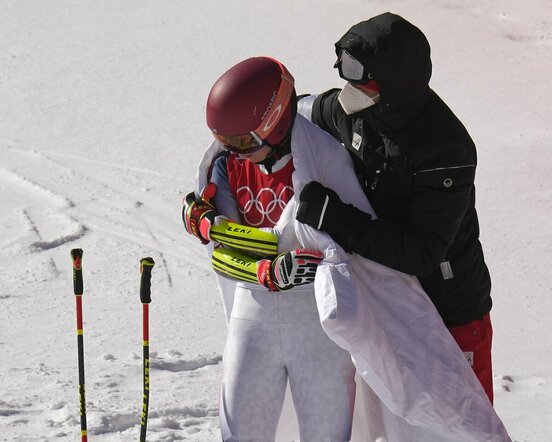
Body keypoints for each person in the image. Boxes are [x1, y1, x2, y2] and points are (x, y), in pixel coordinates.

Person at [296, 12, 495, 403]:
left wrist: (334, 217)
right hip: (387, 302)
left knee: (461, 424)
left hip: (450, 314)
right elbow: (301, 112)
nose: (346, 81)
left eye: (356, 70)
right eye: (343, 66)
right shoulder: (358, 109)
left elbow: (422, 251)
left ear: (392, 82)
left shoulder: (444, 149)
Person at [182, 57, 355, 441]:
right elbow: (222, 243)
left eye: (243, 141)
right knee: (240, 432)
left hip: (317, 325)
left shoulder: (323, 160)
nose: (235, 152)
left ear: (274, 122)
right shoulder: (228, 163)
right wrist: (201, 217)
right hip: (253, 316)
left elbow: (357, 249)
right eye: (225, 141)